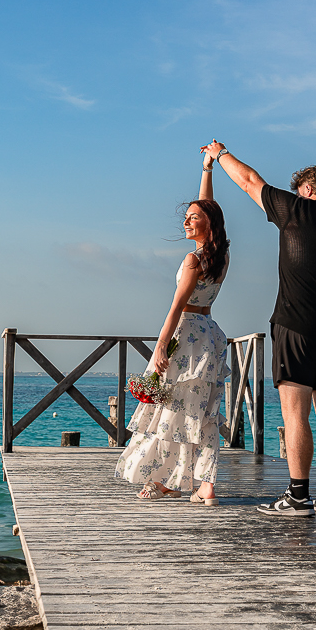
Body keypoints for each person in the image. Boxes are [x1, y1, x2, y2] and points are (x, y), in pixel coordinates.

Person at [202, 139, 316, 517]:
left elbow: (248, 180)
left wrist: (219, 154)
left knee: (295, 415)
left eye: (299, 189)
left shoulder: (295, 209)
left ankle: (297, 496)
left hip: (294, 326)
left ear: (308, 190)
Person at [115, 153, 231, 505]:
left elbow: (177, 306)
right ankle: (203, 484)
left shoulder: (194, 259)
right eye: (185, 217)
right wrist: (207, 169)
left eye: (192, 218)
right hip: (209, 333)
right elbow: (208, 206)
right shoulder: (220, 255)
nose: (186, 222)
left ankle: (167, 481)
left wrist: (162, 345)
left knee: (172, 410)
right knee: (202, 411)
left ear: (207, 224)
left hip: (188, 335)